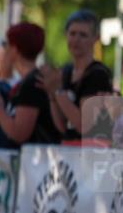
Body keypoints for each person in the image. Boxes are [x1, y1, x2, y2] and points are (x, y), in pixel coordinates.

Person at [0, 22, 60, 146]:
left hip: (37, 156)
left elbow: (19, 134)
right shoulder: (32, 79)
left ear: (14, 49)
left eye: (5, 44)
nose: (4, 49)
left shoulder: (31, 83)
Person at [39, 9, 113, 142]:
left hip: (92, 149)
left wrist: (58, 92)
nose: (76, 40)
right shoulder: (66, 71)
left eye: (83, 35)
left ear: (95, 39)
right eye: (72, 34)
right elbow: (62, 127)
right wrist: (52, 95)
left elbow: (84, 126)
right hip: (70, 147)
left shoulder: (97, 74)